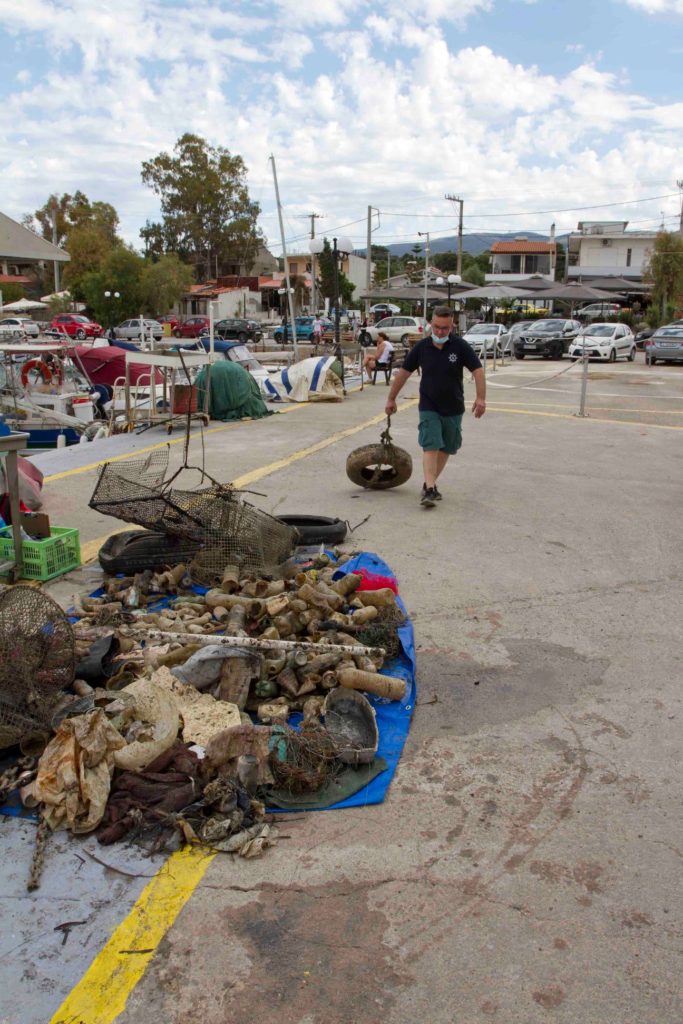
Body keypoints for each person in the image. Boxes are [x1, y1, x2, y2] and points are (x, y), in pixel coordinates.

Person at [384, 305, 486, 508]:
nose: (440, 332)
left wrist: (481, 398)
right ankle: (430, 489)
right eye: (437, 327)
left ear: (452, 326)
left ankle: (429, 483)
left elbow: (478, 371)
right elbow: (403, 373)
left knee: (447, 447)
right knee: (431, 444)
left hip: (454, 406)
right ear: (430, 324)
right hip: (429, 405)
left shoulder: (460, 347)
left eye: (445, 328)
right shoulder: (421, 348)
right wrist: (391, 398)